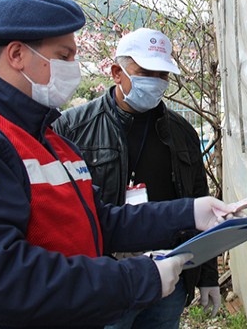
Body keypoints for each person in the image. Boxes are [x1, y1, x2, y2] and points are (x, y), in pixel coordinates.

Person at [0, 0, 236, 328]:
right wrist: (138, 278)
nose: (74, 69)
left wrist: (189, 212)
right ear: (17, 54)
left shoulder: (50, 140)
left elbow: (99, 222)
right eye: (63, 56)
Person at [53, 28, 220, 328]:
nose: (156, 83)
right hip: (105, 281)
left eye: (163, 76)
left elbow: (198, 201)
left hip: (168, 277)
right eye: (146, 72)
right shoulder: (73, 129)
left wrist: (207, 276)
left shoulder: (182, 133)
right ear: (117, 72)